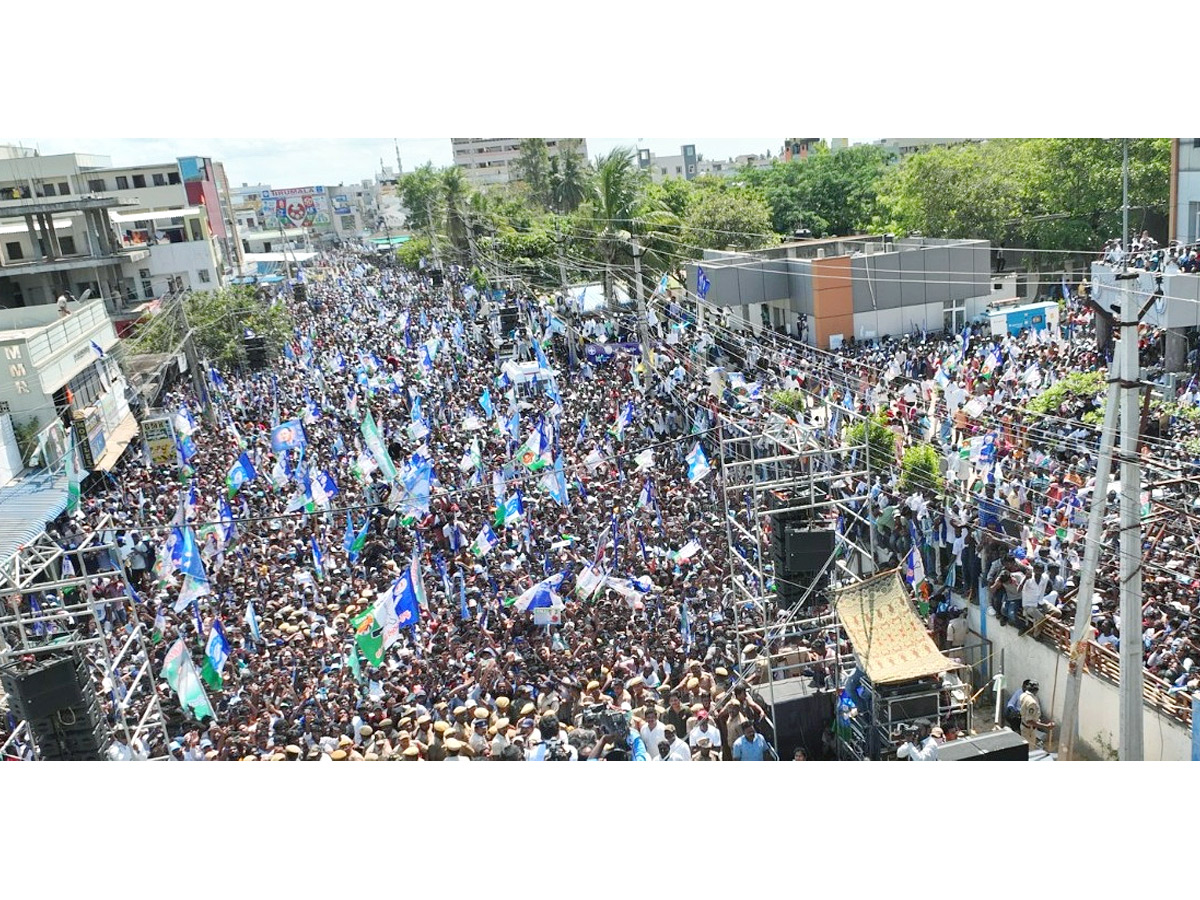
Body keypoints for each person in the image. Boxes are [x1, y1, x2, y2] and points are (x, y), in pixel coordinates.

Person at [1018, 680, 1054, 749]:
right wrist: (1046, 726)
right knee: (1029, 749)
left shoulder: (1023, 695)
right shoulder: (1032, 703)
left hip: (1024, 726)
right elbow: (1030, 721)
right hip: (1029, 730)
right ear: (1036, 690)